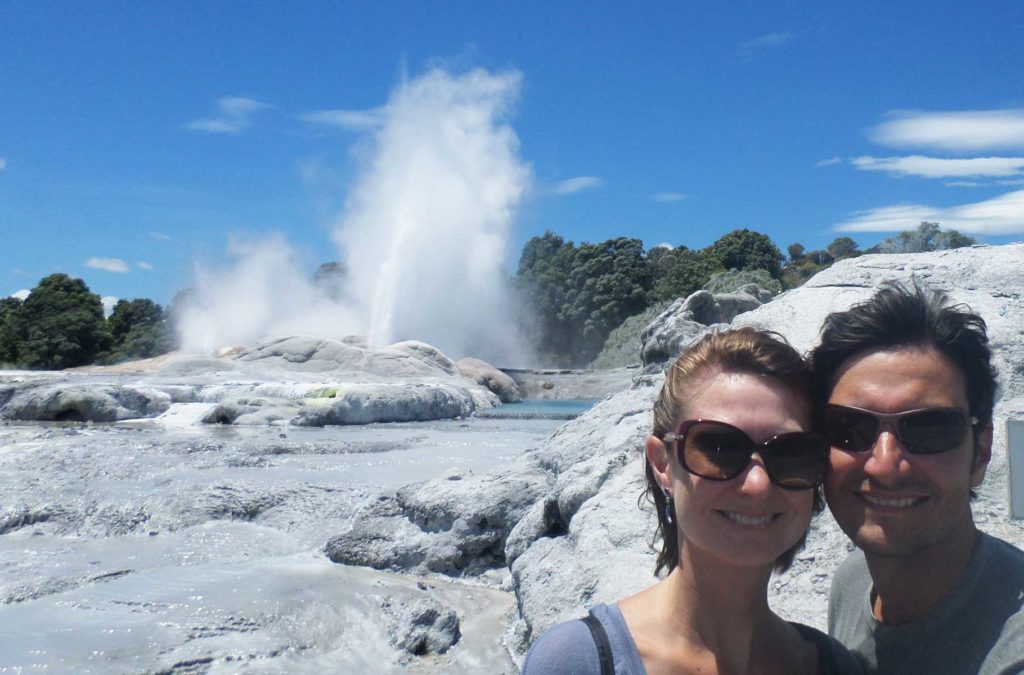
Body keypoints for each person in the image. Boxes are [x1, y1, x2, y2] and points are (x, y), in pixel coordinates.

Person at [523, 328, 861, 674]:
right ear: (662, 463)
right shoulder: (577, 662)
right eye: (719, 448)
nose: (757, 484)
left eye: (791, 453)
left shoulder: (835, 665)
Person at [810, 281, 1024, 674]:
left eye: (930, 429)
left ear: (981, 451)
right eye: (850, 428)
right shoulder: (852, 582)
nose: (884, 464)